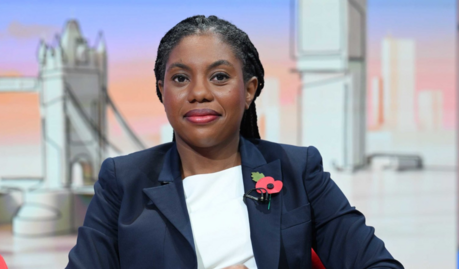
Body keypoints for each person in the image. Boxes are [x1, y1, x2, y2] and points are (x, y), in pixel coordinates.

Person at [66, 15, 403, 269]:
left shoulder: (297, 170)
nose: (199, 93)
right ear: (161, 90)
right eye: (180, 78)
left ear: (250, 90)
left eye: (220, 77)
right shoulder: (122, 181)